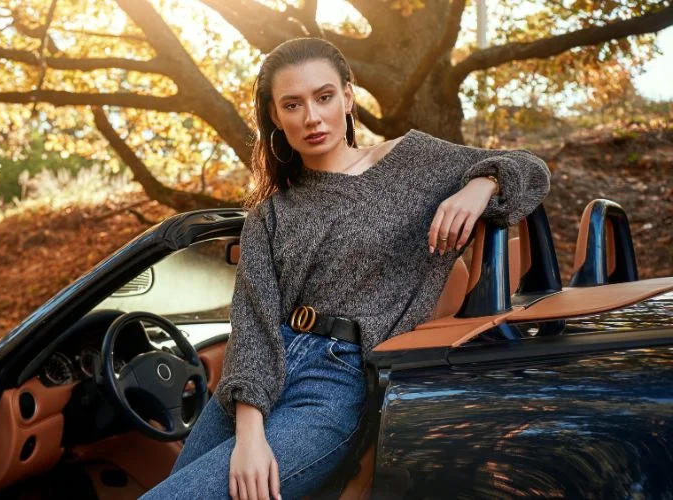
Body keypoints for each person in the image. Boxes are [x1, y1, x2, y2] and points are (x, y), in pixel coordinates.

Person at [140, 37, 550, 500]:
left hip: (338, 384)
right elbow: (253, 325)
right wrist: (250, 438)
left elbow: (531, 169)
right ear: (275, 117)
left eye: (324, 97)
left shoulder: (411, 161)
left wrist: (481, 184)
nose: (312, 117)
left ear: (348, 97)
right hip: (258, 381)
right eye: (292, 105)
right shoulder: (269, 214)